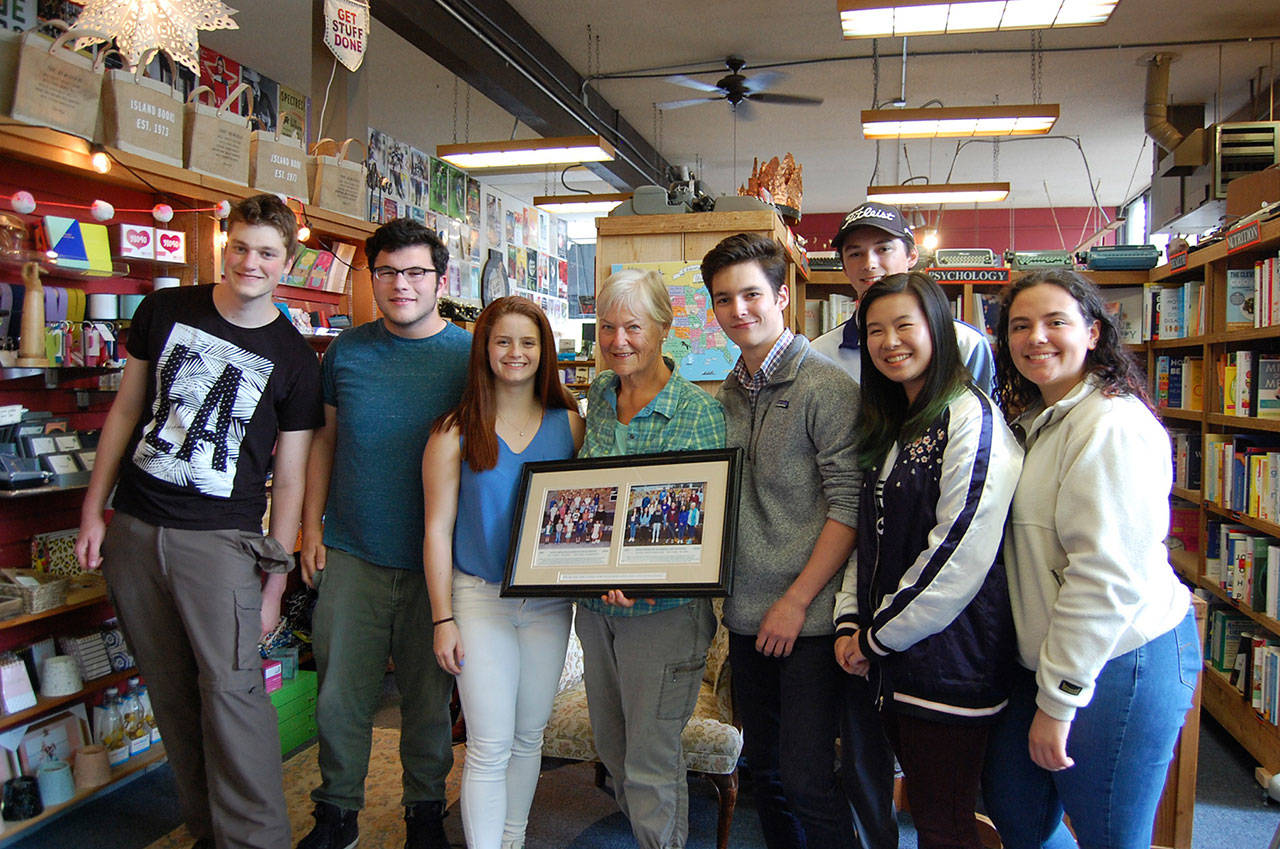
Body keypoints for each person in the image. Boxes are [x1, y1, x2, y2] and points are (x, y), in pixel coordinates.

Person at [74, 194, 322, 849]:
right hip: (133, 527)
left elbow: (291, 478)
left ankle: (258, 841)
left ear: (286, 262)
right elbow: (126, 412)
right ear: (223, 244)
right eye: (239, 246)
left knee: (235, 698)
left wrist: (275, 582)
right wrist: (93, 508)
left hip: (222, 544)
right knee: (173, 694)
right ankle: (208, 832)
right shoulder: (165, 310)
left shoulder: (295, 358)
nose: (249, 261)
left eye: (266, 252)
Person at [982, 270, 1199, 849]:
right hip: (1048, 659)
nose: (1037, 338)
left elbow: (1105, 577)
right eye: (1020, 326)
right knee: (1017, 810)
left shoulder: (1112, 425)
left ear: (1094, 332)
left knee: (1109, 833)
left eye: (1056, 322)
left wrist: (1058, 702)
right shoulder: (1037, 421)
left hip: (1121, 659)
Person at [298, 218, 471, 849]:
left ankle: (424, 813)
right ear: (372, 279)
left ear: (439, 279)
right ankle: (336, 812)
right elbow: (324, 440)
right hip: (353, 550)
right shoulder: (346, 351)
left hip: (442, 565)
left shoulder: (469, 353)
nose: (401, 285)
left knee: (430, 699)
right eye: (388, 272)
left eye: (415, 272)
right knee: (341, 695)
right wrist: (308, 526)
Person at [832, 272, 1021, 849]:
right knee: (930, 811)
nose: (890, 342)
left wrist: (874, 639)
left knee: (944, 822)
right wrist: (850, 620)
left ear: (938, 328)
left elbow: (958, 552)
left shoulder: (971, 418)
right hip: (894, 660)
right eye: (875, 331)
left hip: (950, 663)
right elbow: (867, 536)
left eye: (905, 326)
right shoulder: (893, 422)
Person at [703, 233, 862, 848]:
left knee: (808, 781)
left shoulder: (825, 388)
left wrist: (795, 601)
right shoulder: (725, 396)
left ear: (781, 298)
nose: (738, 310)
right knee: (764, 773)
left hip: (810, 620)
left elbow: (847, 508)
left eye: (751, 295)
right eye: (724, 299)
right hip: (746, 618)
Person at [423, 296, 585, 849]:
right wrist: (443, 617)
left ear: (545, 352)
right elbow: (436, 532)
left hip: (548, 604)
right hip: (479, 600)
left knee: (528, 736)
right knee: (489, 745)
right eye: (502, 341)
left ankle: (512, 839)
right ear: (483, 350)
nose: (515, 353)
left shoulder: (571, 425)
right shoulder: (454, 431)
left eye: (528, 342)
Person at [576, 268, 725, 849]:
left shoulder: (699, 415)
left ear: (664, 328)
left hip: (664, 615)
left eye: (633, 327)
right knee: (612, 751)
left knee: (649, 760)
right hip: (596, 611)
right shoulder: (600, 397)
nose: (619, 341)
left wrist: (641, 578)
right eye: (607, 327)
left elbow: (707, 527)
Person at [811, 201, 995, 394]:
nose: (869, 263)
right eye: (856, 254)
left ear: (912, 256)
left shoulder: (966, 343)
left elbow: (983, 419)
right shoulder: (820, 354)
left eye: (883, 249)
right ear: (845, 268)